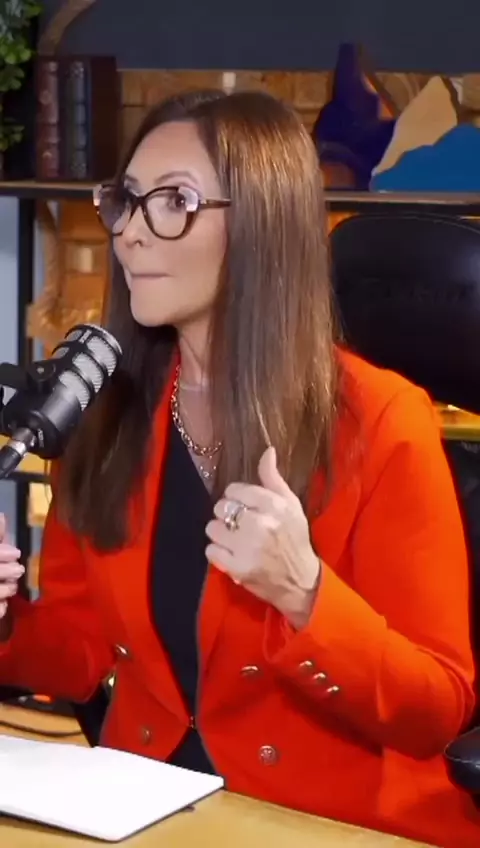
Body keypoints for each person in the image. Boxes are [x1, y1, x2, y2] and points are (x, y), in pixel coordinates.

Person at [0, 89, 478, 847]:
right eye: (127, 200)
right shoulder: (108, 415)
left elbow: (435, 711)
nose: (129, 233)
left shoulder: (385, 421)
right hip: (139, 808)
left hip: (327, 822)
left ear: (263, 225)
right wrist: (3, 619)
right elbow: (77, 652)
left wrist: (305, 593)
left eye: (175, 202)